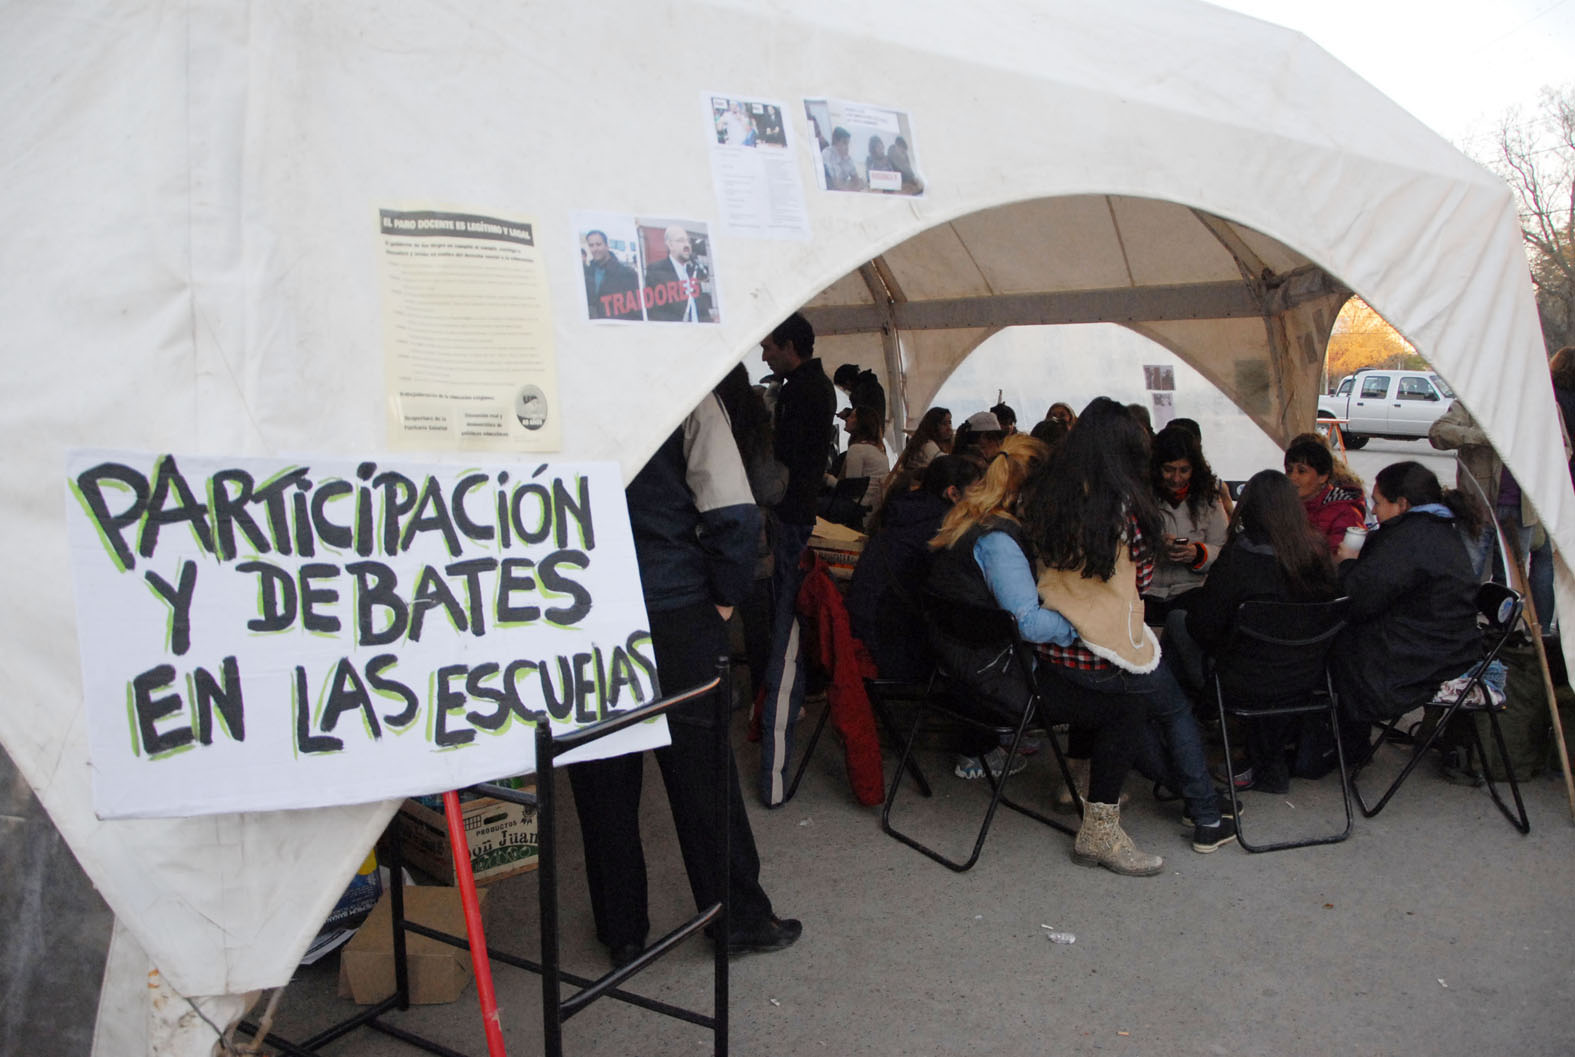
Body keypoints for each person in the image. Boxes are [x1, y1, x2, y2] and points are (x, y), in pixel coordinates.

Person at [567, 391, 800, 968]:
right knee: (702, 774)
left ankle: (621, 930)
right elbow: (733, 512)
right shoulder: (681, 387)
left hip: (579, 608)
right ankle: (738, 919)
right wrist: (723, 597)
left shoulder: (561, 387)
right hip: (673, 608)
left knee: (601, 778)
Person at [1024, 397, 1236, 864]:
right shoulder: (1125, 511)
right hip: (1109, 648)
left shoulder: (1047, 495)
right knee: (1169, 708)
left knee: (1131, 708)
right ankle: (1205, 814)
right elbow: (1140, 581)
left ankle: (1084, 784)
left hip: (1058, 643)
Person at [926, 436, 1151, 803]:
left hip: (959, 669)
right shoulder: (998, 540)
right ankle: (1100, 816)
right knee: (1125, 702)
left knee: (1086, 681)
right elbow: (1027, 624)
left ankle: (1080, 783)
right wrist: (1084, 624)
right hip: (996, 682)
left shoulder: (966, 520)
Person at [1170, 470, 1339, 793]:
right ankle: (1204, 725)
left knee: (1178, 622)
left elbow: (1204, 628)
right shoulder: (1319, 554)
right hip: (1306, 678)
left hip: (1242, 681)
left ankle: (1185, 729)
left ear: (1248, 508)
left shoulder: (1240, 559)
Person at [1332, 462, 1490, 758]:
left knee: (1337, 646)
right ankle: (1344, 743)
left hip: (1428, 655)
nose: (1373, 511)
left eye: (1378, 503)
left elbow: (1360, 598)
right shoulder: (1432, 528)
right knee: (1344, 637)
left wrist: (1349, 562)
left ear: (1402, 504)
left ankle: (1345, 747)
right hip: (1446, 644)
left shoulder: (1411, 537)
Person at [757, 312, 837, 805]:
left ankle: (786, 703)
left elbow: (781, 456)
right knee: (785, 611)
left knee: (783, 614)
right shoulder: (816, 386)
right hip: (798, 510)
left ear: (790, 346)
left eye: (768, 347)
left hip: (790, 514)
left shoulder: (800, 390)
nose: (764, 355)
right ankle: (797, 694)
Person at [847, 456, 981, 682]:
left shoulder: (907, 510)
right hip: (890, 644)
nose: (982, 499)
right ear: (953, 493)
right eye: (977, 491)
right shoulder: (942, 528)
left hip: (860, 630)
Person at [1143, 425, 1228, 622]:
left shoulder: (1208, 499)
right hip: (1146, 593)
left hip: (1192, 594)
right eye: (1168, 470)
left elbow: (1224, 550)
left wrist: (1198, 553)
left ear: (1195, 469)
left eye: (1184, 470)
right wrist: (1154, 547)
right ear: (1156, 467)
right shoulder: (1141, 497)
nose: (1176, 478)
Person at [1284, 437, 1365, 554]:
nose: (1292, 477)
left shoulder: (1345, 512)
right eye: (1289, 470)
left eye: (1302, 471)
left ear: (1323, 477)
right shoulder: (1284, 506)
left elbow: (1341, 561)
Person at [643, 226, 714, 323]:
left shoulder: (694, 270)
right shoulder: (656, 271)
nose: (687, 245)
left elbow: (702, 310)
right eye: (681, 241)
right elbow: (654, 312)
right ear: (670, 245)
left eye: (688, 241)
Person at [835, 406, 889, 527]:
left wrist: (827, 479)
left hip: (858, 510)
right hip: (873, 510)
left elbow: (851, 489)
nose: (848, 419)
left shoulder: (857, 449)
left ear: (861, 423)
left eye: (853, 416)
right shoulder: (879, 451)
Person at [887, 406, 953, 493]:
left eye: (950, 423)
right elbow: (948, 466)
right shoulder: (928, 446)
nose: (949, 428)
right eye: (944, 424)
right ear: (933, 426)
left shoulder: (920, 442)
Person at [582, 230, 641, 320]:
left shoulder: (627, 273)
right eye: (591, 245)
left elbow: (635, 310)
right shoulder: (587, 273)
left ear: (607, 246)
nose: (595, 249)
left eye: (598, 244)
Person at [821, 126, 864, 191]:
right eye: (844, 143)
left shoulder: (847, 158)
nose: (847, 147)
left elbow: (857, 181)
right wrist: (852, 187)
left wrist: (851, 186)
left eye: (848, 144)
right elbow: (835, 184)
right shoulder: (827, 154)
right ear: (835, 142)